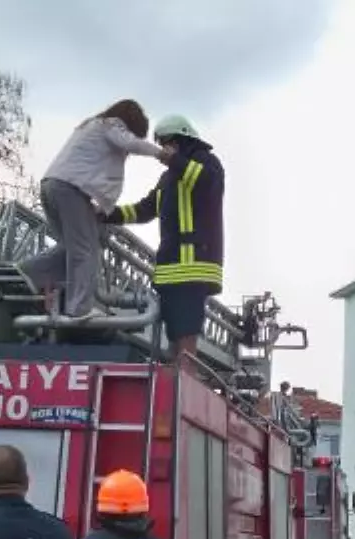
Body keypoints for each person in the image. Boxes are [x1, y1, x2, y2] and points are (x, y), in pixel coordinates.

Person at [17, 99, 172, 321]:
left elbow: (89, 165)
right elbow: (128, 143)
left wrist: (99, 204)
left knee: (71, 247)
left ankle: (27, 273)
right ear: (130, 123)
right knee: (85, 250)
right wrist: (160, 154)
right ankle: (79, 309)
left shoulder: (91, 126)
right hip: (70, 189)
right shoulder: (112, 125)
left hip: (52, 186)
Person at [102, 113, 224, 369]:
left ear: (182, 140)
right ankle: (174, 375)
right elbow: (144, 210)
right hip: (170, 268)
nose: (163, 151)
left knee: (186, 328)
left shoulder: (207, 162)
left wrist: (176, 161)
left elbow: (205, 182)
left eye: (168, 143)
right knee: (173, 330)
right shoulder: (168, 179)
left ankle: (185, 378)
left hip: (194, 265)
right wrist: (108, 213)